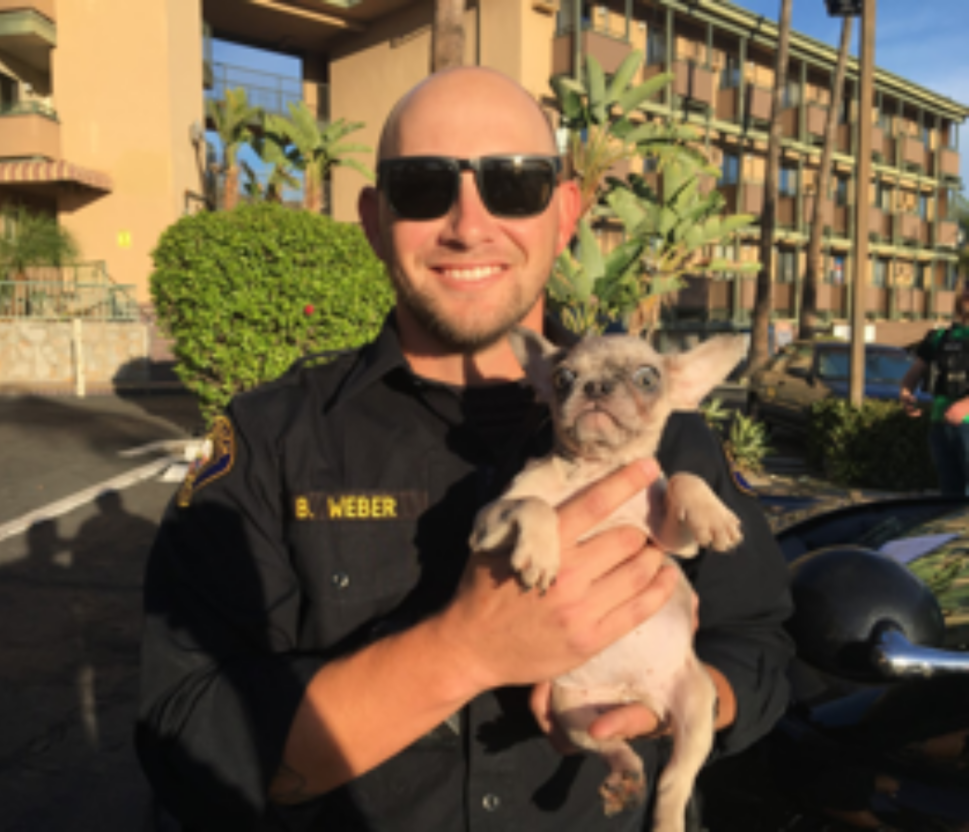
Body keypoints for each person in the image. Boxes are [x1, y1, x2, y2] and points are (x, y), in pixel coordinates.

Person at [136, 67, 794, 831]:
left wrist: (658, 703)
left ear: (565, 210)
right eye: (422, 188)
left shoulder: (670, 436)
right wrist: (461, 653)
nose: (468, 224)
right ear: (376, 220)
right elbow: (185, 731)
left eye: (514, 184)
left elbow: (759, 642)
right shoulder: (270, 438)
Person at [900, 284, 969, 496]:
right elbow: (916, 370)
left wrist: (965, 406)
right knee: (949, 495)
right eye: (967, 288)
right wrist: (906, 392)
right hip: (940, 426)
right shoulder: (939, 337)